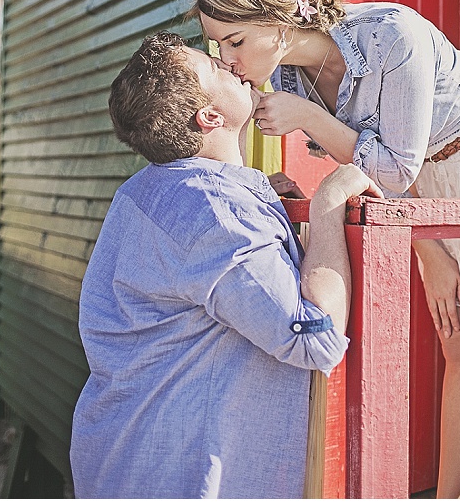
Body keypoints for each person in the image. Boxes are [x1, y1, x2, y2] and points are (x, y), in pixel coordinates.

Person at [194, 0, 460, 498]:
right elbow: (383, 167)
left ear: (279, 21)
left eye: (236, 40)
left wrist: (305, 118)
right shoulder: (297, 76)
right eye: (218, 45)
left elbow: (392, 165)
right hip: (430, 179)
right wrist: (431, 252)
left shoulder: (393, 34)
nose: (228, 58)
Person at [70, 31, 379, 498]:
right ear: (209, 116)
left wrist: (268, 210)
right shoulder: (216, 214)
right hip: (185, 481)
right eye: (215, 67)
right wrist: (329, 204)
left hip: (125, 462)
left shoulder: (148, 190)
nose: (229, 63)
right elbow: (316, 339)